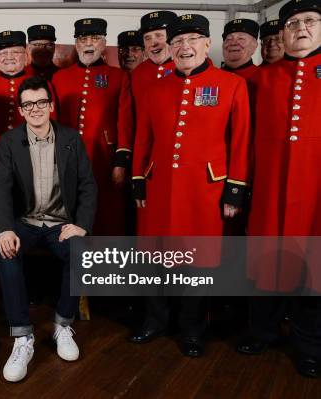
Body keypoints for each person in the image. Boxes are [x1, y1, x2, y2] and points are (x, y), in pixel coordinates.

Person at [129, 14, 251, 358]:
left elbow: (240, 141)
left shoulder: (230, 85)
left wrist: (235, 188)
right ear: (170, 47)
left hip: (205, 190)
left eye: (193, 39)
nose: (185, 47)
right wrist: (139, 179)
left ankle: (192, 329)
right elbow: (144, 137)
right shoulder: (156, 86)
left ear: (206, 44)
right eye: (178, 41)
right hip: (159, 186)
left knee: (197, 264)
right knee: (152, 258)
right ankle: (155, 320)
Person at [0, 76, 97, 382]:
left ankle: (63, 325)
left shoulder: (71, 139)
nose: (35, 109)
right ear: (21, 110)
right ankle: (23, 337)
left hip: (60, 224)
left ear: (50, 105)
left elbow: (89, 186)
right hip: (24, 222)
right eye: (28, 104)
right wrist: (4, 229)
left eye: (41, 102)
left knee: (81, 253)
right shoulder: (8, 141)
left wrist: (81, 226)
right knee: (5, 251)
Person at [241, 0, 321, 378]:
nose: (300, 28)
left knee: (314, 274)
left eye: (309, 21)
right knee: (266, 265)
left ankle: (310, 347)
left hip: (316, 197)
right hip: (269, 192)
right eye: (291, 23)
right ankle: (263, 333)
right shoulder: (260, 79)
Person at [53, 18, 133, 235]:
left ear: (104, 43)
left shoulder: (118, 77)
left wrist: (121, 162)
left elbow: (124, 121)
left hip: (104, 158)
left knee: (107, 214)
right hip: (67, 158)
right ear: (76, 44)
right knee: (71, 210)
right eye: (83, 39)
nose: (89, 43)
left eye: (95, 38)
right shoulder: (60, 78)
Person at [0, 30, 33, 135]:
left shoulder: (41, 85)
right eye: (3, 53)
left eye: (15, 52)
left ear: (26, 56)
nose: (9, 57)